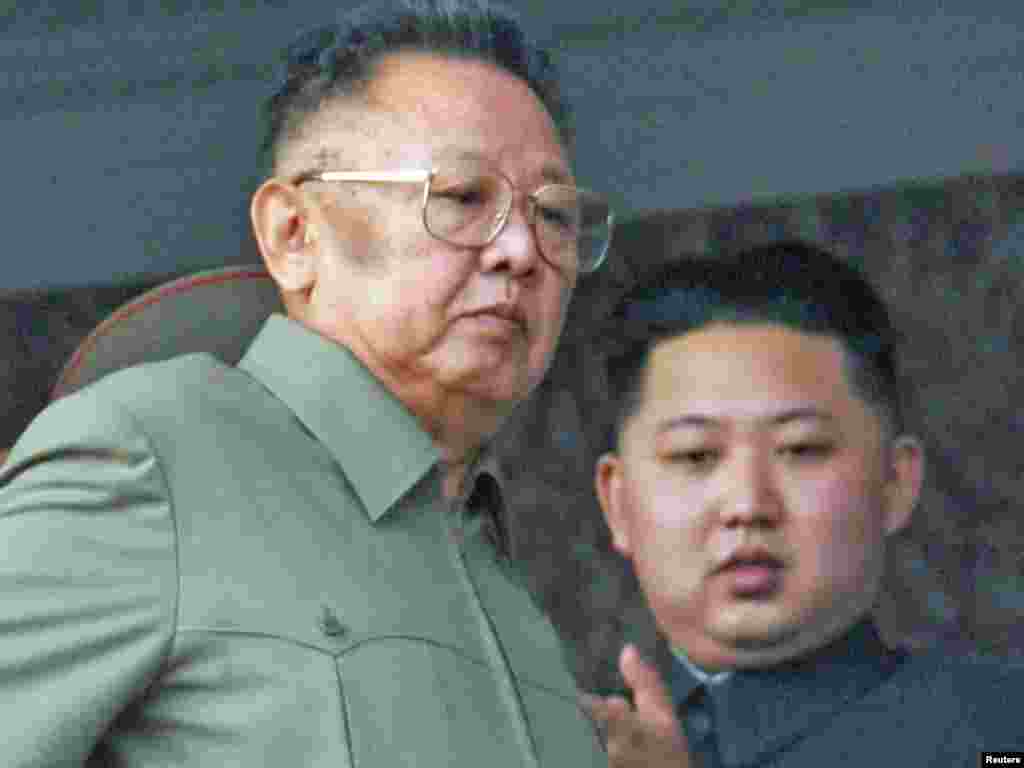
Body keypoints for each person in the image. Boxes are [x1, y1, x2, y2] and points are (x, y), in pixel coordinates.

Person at [0, 2, 615, 765]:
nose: (521, 250)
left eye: (554, 216)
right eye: (462, 196)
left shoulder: (504, 585)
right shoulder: (152, 457)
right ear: (294, 235)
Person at [581, 241, 1023, 767]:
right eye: (694, 455)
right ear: (618, 502)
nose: (747, 505)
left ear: (895, 482)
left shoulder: (998, 730)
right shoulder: (555, 747)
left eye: (801, 449)